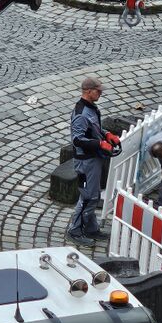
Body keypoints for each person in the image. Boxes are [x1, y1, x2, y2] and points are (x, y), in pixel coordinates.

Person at [67, 76, 120, 246]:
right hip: (86, 162)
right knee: (88, 197)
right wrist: (100, 143)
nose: (101, 93)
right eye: (98, 91)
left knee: (94, 194)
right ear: (88, 91)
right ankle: (75, 230)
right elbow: (77, 140)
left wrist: (106, 135)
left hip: (93, 159)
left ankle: (90, 227)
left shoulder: (91, 109)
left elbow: (94, 129)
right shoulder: (81, 114)